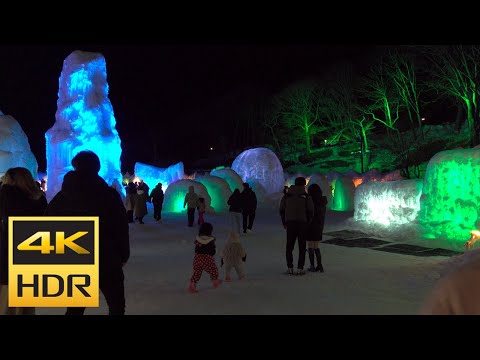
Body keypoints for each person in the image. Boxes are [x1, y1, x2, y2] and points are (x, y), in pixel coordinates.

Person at [44, 151, 130, 315]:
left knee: (75, 307)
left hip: (75, 258)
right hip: (107, 257)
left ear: (75, 166)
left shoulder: (62, 197)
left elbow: (48, 224)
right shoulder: (109, 195)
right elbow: (120, 227)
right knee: (116, 306)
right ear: (97, 168)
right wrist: (123, 255)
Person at [0, 167, 48, 315]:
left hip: (6, 251)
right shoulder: (38, 198)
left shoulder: (4, 195)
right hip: (32, 252)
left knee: (6, 298)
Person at [279, 177, 314, 275]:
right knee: (302, 247)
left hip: (290, 223)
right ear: (303, 185)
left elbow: (281, 209)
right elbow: (311, 211)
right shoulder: (306, 196)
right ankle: (300, 268)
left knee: (289, 246)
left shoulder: (287, 196)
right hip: (302, 223)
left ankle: (290, 267)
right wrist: (308, 222)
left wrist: (284, 222)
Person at [188, 222, 222, 293]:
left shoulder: (198, 240)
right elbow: (212, 251)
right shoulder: (210, 241)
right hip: (207, 258)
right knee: (213, 270)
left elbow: (196, 249)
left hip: (197, 258)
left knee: (197, 272)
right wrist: (214, 252)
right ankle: (215, 281)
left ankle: (192, 284)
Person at [306, 183, 327, 272]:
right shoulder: (322, 201)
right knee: (316, 246)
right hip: (319, 226)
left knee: (310, 245)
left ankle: (312, 266)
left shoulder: (310, 201)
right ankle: (319, 265)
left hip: (310, 226)